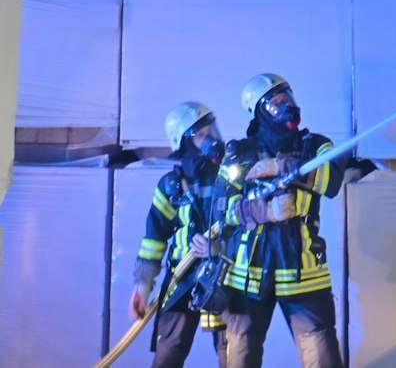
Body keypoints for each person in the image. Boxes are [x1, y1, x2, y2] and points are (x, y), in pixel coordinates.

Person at [218, 73, 344, 368]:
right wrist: (258, 212)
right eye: (277, 102)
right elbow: (221, 210)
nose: (287, 105)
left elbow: (333, 181)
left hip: (303, 272)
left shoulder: (315, 147)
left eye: (288, 98)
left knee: (322, 358)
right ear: (260, 110)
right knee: (240, 357)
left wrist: (288, 167)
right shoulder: (239, 153)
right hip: (248, 277)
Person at [131, 101, 233, 368]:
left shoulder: (231, 178)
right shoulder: (170, 186)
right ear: (184, 142)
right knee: (169, 352)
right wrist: (143, 286)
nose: (211, 138)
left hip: (226, 275)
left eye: (213, 130)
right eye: (202, 134)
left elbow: (245, 226)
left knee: (233, 354)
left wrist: (219, 248)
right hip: (182, 277)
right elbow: (154, 239)